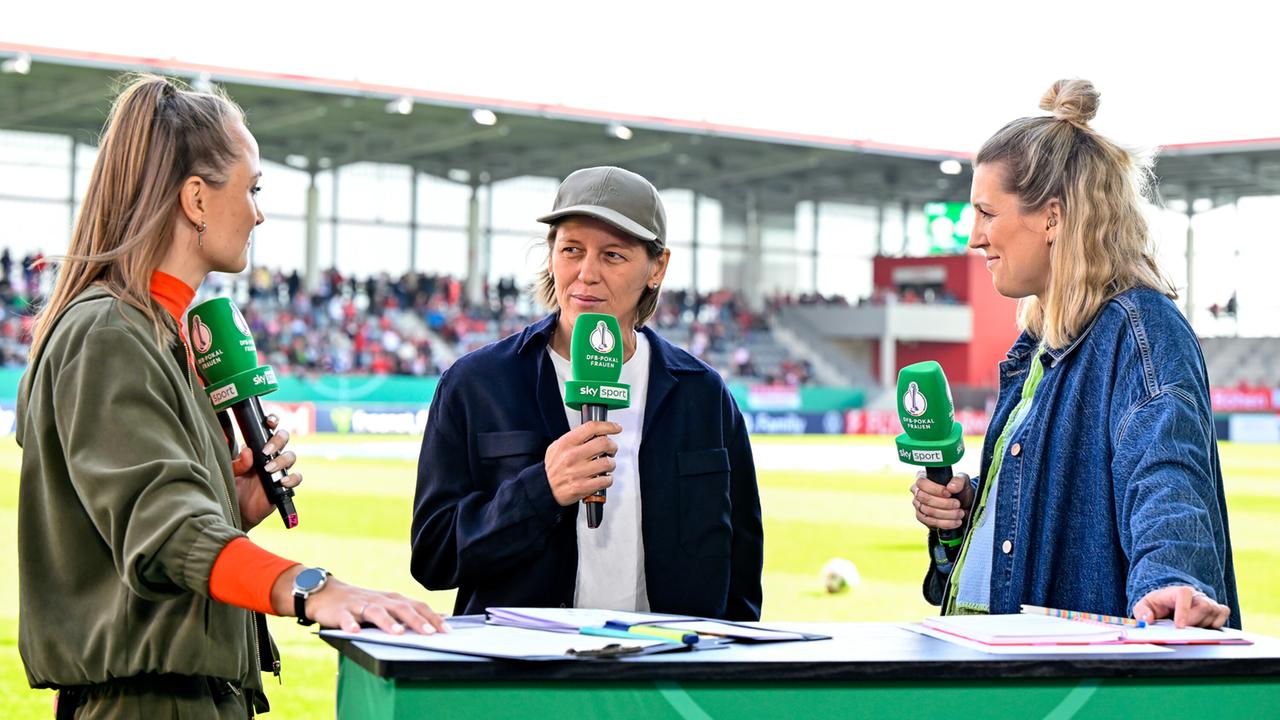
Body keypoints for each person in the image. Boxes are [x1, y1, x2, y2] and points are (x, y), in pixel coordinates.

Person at [16, 75, 446, 720]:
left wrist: (229, 509)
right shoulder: (110, 331)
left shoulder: (156, 332)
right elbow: (164, 532)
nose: (258, 213)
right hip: (151, 702)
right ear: (196, 198)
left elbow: (151, 542)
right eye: (253, 189)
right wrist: (312, 588)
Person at [910, 79, 1239, 630]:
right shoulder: (1038, 348)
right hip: (999, 658)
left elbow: (1166, 477)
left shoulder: (1140, 329)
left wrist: (1171, 583)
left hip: (1076, 671)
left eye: (987, 213)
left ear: (1053, 218)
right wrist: (969, 516)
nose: (974, 237)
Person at [411, 166, 763, 620]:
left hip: (667, 657)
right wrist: (541, 490)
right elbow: (434, 556)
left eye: (613, 255)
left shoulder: (704, 394)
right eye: (571, 250)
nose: (586, 273)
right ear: (551, 255)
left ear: (657, 267)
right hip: (526, 660)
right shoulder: (476, 384)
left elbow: (742, 570)